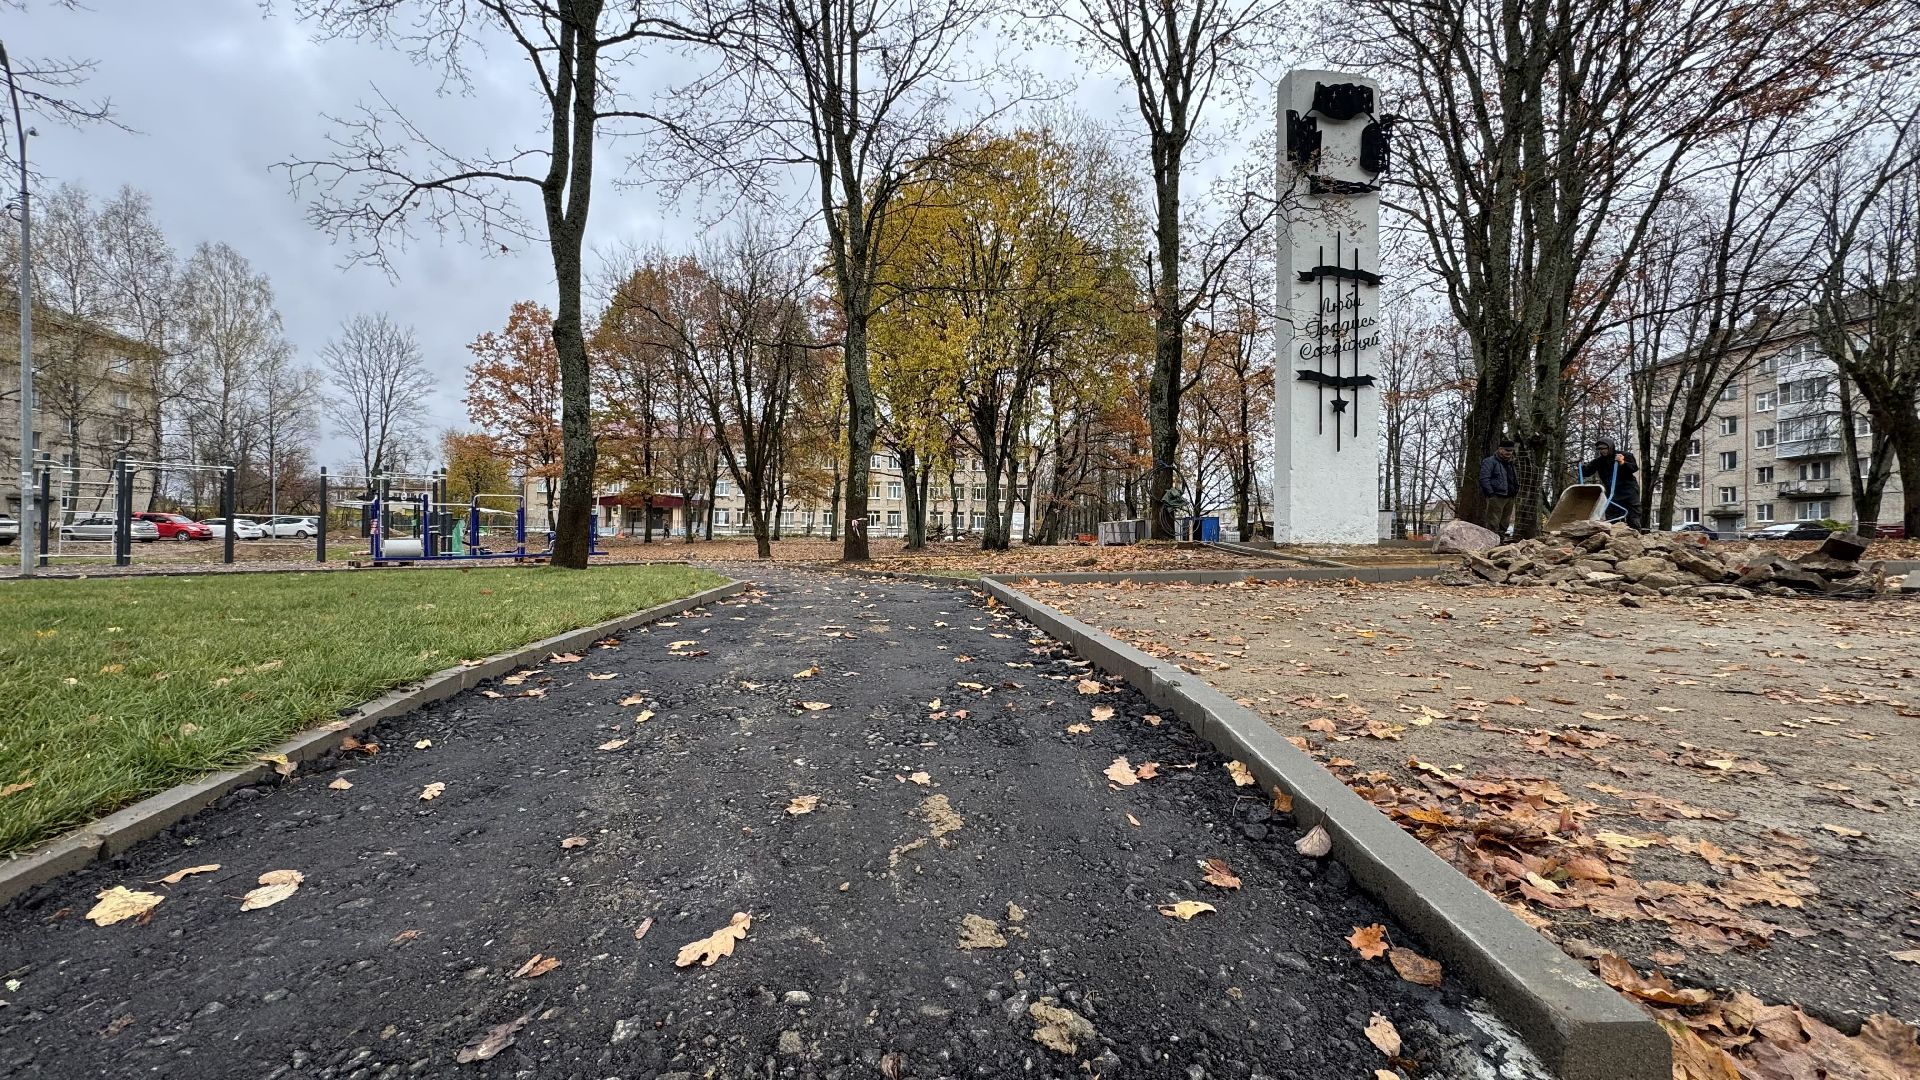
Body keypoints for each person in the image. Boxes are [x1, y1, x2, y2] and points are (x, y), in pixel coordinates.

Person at [1581, 438, 1642, 530]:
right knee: (1612, 520)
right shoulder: (1599, 461)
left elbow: (1634, 468)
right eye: (1600, 449)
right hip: (1613, 494)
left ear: (1610, 447)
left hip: (1629, 492)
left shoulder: (1624, 455)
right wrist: (1580, 465)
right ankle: (1614, 540)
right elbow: (1586, 472)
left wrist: (1622, 462)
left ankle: (1635, 538)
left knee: (1633, 518)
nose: (1603, 451)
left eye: (1604, 448)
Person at [1479, 440, 1519, 537]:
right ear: (1500, 449)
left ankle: (1501, 541)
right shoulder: (1489, 462)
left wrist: (1515, 490)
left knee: (1505, 522)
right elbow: (1484, 478)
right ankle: (1491, 542)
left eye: (1511, 450)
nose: (1509, 452)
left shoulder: (1511, 463)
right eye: (1507, 450)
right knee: (1493, 522)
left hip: (1510, 496)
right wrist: (1491, 494)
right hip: (1496, 496)